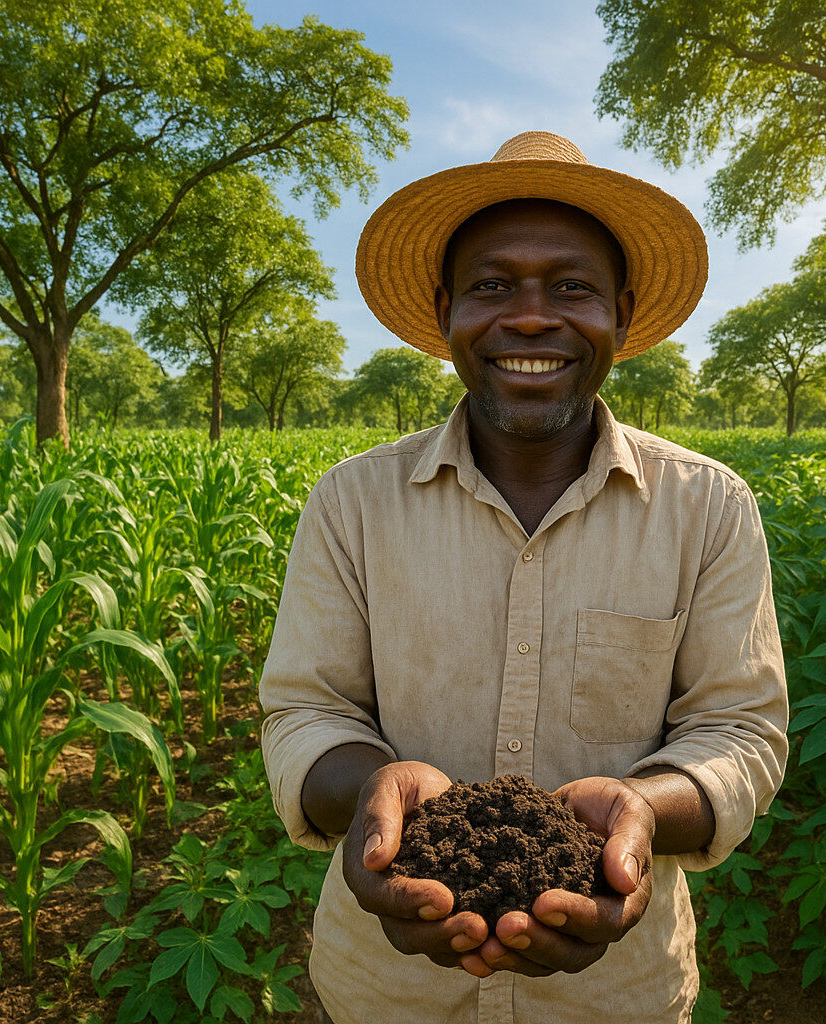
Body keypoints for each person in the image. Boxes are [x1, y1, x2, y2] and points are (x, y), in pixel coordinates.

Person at [259, 131, 788, 1024]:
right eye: (493, 285)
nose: (533, 318)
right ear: (447, 312)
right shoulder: (353, 501)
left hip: (617, 1000)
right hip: (388, 994)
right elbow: (307, 711)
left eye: (572, 287)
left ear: (621, 314)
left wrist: (642, 810)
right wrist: (377, 796)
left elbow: (740, 729)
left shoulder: (708, 506)